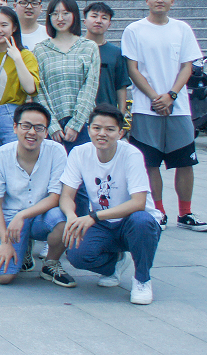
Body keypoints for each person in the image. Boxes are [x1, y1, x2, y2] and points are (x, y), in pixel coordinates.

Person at [122, 0, 206, 230]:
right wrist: (154, 97)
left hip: (178, 108)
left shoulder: (182, 29)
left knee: (185, 161)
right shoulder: (134, 30)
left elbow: (187, 66)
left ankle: (185, 213)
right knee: (150, 162)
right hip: (145, 107)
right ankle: (158, 212)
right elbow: (133, 69)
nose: (160, 0)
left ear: (172, 0)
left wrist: (171, 95)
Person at [60, 104, 163, 304]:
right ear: (88, 129)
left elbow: (139, 202)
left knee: (142, 221)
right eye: (97, 128)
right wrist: (71, 216)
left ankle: (142, 279)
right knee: (76, 255)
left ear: (120, 133)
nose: (102, 134)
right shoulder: (79, 153)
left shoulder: (131, 154)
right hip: (104, 223)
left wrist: (93, 216)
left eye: (109, 129)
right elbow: (66, 196)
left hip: (133, 222)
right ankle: (115, 264)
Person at [0, 102, 72, 286]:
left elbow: (55, 197)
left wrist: (22, 215)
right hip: (10, 218)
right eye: (26, 126)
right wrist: (5, 242)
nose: (32, 132)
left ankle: (51, 263)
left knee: (62, 219)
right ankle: (22, 247)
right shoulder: (1, 155)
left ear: (46, 132)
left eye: (39, 128)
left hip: (42, 215)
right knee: (2, 276)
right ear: (15, 127)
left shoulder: (56, 151)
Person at [34, 0, 100, 154]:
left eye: (65, 13)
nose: (60, 18)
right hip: (51, 127)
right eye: (55, 14)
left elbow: (90, 87)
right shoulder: (40, 50)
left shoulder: (89, 47)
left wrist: (76, 123)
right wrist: (51, 125)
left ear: (75, 15)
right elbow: (38, 90)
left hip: (83, 123)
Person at [0, 6, 40, 156]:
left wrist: (17, 59)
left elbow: (30, 88)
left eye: (4, 25)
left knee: (14, 159)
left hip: (12, 114)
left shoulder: (25, 55)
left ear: (14, 27)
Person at [83, 2, 130, 114]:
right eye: (94, 16)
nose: (98, 21)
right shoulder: (75, 49)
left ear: (109, 24)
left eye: (104, 18)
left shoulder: (116, 53)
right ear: (85, 21)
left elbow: (121, 86)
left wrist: (121, 114)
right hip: (79, 113)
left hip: (107, 112)